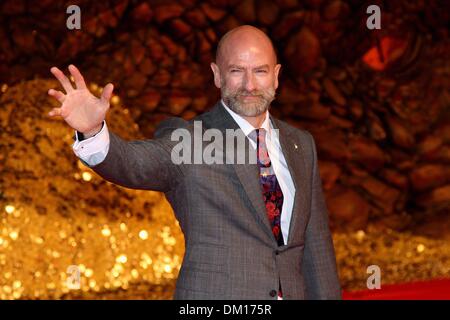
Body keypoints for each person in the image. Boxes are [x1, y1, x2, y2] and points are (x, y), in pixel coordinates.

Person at [48, 25, 341, 300]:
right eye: (237, 71)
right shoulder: (190, 139)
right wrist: (92, 131)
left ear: (276, 75)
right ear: (216, 75)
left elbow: (316, 248)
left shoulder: (301, 144)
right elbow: (132, 164)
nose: (250, 84)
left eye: (260, 71)